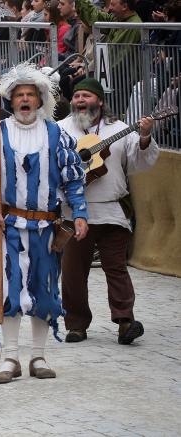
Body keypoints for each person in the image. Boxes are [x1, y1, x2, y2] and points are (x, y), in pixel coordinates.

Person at [0, 63, 89, 384]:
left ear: (39, 100)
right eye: (19, 94)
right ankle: (10, 357)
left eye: (30, 94)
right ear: (12, 100)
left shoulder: (56, 134)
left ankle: (38, 355)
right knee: (9, 290)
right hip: (8, 227)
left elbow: (73, 180)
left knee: (44, 290)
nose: (25, 99)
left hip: (46, 230)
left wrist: (79, 213)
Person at [57, 78, 158, 345]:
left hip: (113, 210)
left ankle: (125, 322)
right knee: (73, 272)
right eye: (77, 95)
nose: (80, 100)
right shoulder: (59, 130)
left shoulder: (121, 129)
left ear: (100, 101)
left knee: (116, 268)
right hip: (74, 213)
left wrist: (145, 136)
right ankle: (76, 325)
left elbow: (141, 161)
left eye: (87, 96)